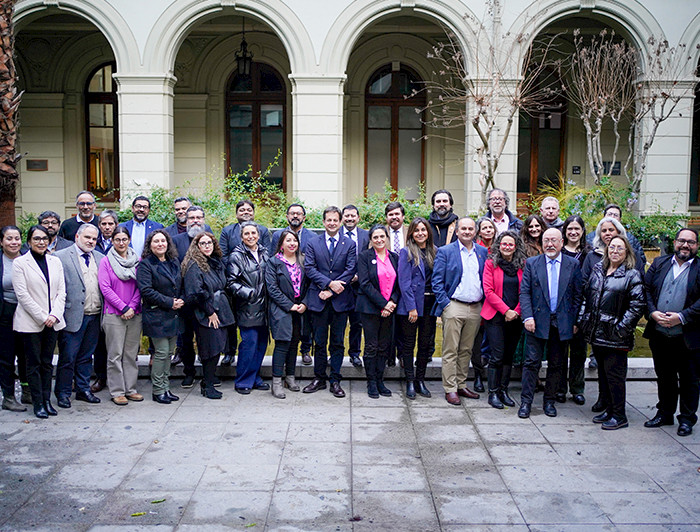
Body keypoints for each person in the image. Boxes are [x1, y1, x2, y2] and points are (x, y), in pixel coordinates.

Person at [579, 235, 645, 430]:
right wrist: (584, 318)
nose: (615, 251)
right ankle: (608, 409)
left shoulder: (631, 275)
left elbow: (637, 305)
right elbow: (587, 295)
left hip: (616, 335)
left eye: (619, 248)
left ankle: (619, 415)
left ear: (626, 253)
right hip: (597, 332)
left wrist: (621, 328)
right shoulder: (598, 269)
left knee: (615, 376)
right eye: (612, 247)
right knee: (604, 375)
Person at [518, 227, 582, 419]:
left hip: (562, 322)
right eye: (546, 240)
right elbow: (525, 292)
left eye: (554, 240)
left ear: (562, 242)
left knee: (557, 364)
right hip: (537, 321)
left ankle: (549, 402)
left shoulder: (573, 264)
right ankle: (526, 402)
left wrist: (575, 321)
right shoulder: (532, 263)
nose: (550, 244)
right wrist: (527, 317)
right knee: (531, 363)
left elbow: (578, 296)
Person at [643, 228, 700, 437]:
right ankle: (665, 413)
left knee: (689, 379)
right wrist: (652, 312)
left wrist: (682, 317)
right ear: (675, 242)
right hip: (660, 334)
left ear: (697, 246)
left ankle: (686, 419)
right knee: (664, 376)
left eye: (691, 242)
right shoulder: (659, 263)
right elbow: (646, 289)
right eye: (682, 241)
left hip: (688, 336)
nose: (685, 245)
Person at [432, 217, 488, 405]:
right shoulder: (446, 251)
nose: (466, 231)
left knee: (466, 349)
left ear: (475, 231)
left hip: (475, 307)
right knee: (450, 350)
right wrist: (445, 304)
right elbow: (437, 281)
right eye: (463, 228)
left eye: (470, 229)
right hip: (454, 305)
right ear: (457, 231)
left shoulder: (483, 252)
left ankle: (461, 384)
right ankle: (450, 388)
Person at [12, 225, 66, 418]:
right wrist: (44, 317)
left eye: (44, 238)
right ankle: (38, 403)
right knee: (33, 364)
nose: (41, 242)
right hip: (31, 322)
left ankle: (47, 400)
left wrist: (55, 315)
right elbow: (22, 295)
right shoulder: (20, 263)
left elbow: (62, 292)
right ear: (29, 241)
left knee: (47, 362)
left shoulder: (55, 261)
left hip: (54, 321)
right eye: (36, 239)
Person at [303, 206, 356, 398]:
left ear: (340, 222)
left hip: (340, 302)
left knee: (337, 342)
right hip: (318, 300)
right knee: (319, 342)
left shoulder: (349, 244)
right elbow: (309, 268)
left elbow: (350, 270)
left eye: (335, 220)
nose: (332, 223)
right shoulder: (312, 243)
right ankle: (319, 378)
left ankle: (335, 379)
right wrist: (328, 284)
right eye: (329, 220)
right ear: (324, 222)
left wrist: (332, 292)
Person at [54, 224, 104, 408]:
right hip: (72, 316)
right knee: (68, 357)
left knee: (86, 356)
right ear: (77, 237)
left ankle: (83, 390)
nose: (91, 241)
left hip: (94, 315)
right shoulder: (60, 257)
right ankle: (63, 393)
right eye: (87, 237)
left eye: (94, 238)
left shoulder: (100, 257)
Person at [181, 232, 235, 399]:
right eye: (203, 243)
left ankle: (208, 381)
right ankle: (208, 385)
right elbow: (194, 293)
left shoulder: (215, 262)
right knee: (210, 349)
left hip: (220, 308)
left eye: (210, 243)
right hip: (204, 313)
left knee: (217, 346)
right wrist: (210, 312)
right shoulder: (193, 265)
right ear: (196, 246)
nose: (207, 246)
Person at [220, 200, 273, 367]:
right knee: (247, 339)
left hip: (263, 299)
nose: (245, 212)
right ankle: (234, 360)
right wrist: (241, 271)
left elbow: (268, 261)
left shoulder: (263, 237)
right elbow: (223, 256)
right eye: (241, 210)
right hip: (241, 292)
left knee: (260, 342)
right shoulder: (229, 233)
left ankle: (254, 377)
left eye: (249, 209)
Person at [97, 226, 143, 406]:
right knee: (114, 354)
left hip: (134, 313)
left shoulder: (137, 261)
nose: (121, 243)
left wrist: (131, 307)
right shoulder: (106, 262)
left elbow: (141, 286)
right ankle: (117, 391)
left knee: (131, 354)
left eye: (124, 239)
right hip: (114, 314)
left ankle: (131, 389)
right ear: (112, 241)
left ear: (129, 240)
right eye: (117, 240)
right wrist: (123, 308)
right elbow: (105, 288)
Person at [137, 229, 182, 404]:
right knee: (161, 352)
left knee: (169, 353)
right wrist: (170, 302)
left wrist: (180, 301)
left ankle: (166, 387)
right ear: (150, 245)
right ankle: (158, 390)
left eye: (163, 241)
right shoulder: (145, 265)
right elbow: (146, 291)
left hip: (173, 315)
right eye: (156, 241)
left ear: (168, 243)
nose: (160, 244)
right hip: (156, 315)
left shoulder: (173, 261)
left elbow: (179, 284)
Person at [481, 230, 524, 409]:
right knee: (497, 355)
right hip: (495, 316)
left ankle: (504, 391)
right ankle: (493, 393)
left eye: (510, 244)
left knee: (508, 356)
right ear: (499, 246)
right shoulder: (491, 263)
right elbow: (488, 290)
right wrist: (506, 310)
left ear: (515, 247)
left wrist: (516, 311)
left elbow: (526, 291)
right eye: (504, 244)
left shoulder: (523, 265)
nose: (507, 247)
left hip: (516, 317)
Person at [226, 221, 270, 394]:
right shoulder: (236, 256)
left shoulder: (265, 253)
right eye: (247, 234)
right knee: (249, 344)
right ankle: (243, 380)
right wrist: (250, 293)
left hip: (266, 307)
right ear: (241, 237)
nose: (251, 236)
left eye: (254, 233)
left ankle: (255, 377)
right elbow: (231, 282)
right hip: (248, 307)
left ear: (258, 235)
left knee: (261, 345)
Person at [356, 225, 400, 398]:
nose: (379, 240)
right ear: (371, 240)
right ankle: (371, 382)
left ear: (387, 237)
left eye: (382, 236)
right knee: (371, 346)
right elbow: (365, 283)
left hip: (390, 309)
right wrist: (384, 304)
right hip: (370, 308)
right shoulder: (364, 257)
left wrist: (392, 302)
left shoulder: (395, 257)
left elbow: (399, 283)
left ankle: (381, 381)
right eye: (376, 237)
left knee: (384, 346)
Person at [270, 203, 316, 365]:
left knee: (306, 324)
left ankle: (306, 350)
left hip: (304, 288)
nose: (295, 216)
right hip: (284, 288)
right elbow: (273, 257)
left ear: (304, 217)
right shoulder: (277, 235)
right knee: (286, 332)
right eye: (292, 213)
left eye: (299, 214)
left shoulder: (312, 236)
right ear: (287, 216)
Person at [265, 230, 308, 399]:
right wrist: (290, 306)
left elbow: (309, 284)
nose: (292, 243)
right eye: (288, 240)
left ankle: (290, 378)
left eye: (294, 240)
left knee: (294, 344)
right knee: (282, 344)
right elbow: (272, 288)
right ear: (281, 244)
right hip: (282, 309)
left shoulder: (303, 261)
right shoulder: (273, 262)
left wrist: (304, 303)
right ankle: (276, 383)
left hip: (300, 309)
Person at [397, 217, 437, 399]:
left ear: (428, 232)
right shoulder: (406, 253)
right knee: (408, 344)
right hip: (411, 305)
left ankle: (420, 380)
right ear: (411, 233)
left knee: (425, 344)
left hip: (430, 304)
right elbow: (404, 283)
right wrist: (411, 308)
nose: (421, 233)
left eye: (424, 230)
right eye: (417, 230)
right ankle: (410, 382)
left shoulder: (435, 252)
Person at [171, 206, 207, 384]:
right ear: (186, 219)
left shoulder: (209, 239)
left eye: (199, 217)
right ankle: (189, 372)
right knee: (185, 339)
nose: (195, 221)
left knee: (206, 339)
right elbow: (173, 269)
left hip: (205, 300)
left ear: (204, 220)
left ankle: (208, 374)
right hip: (184, 301)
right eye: (191, 217)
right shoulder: (177, 241)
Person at [559, 215, 591, 405]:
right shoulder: (559, 252)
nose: (573, 232)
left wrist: (579, 319)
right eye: (569, 229)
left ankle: (577, 388)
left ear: (582, 231)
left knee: (579, 352)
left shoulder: (589, 254)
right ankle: (560, 388)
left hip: (582, 308)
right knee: (560, 353)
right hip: (562, 310)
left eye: (577, 229)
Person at [0, 226, 27, 412]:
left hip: (27, 312)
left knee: (26, 355)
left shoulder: (29, 258)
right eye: (9, 238)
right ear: (1, 241)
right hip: (5, 313)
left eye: (17, 238)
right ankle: (8, 396)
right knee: (6, 358)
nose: (14, 242)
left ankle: (27, 392)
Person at [340, 204, 369, 369]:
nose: (350, 219)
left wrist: (359, 275)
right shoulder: (336, 234)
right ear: (342, 218)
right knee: (339, 322)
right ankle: (336, 353)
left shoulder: (365, 235)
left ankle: (355, 354)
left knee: (357, 323)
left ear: (358, 218)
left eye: (353, 216)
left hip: (360, 286)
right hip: (340, 286)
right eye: (347, 216)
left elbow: (369, 258)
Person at [585, 203, 647, 268]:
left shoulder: (631, 239)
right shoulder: (590, 238)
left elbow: (641, 262)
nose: (612, 217)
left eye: (615, 215)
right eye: (609, 214)